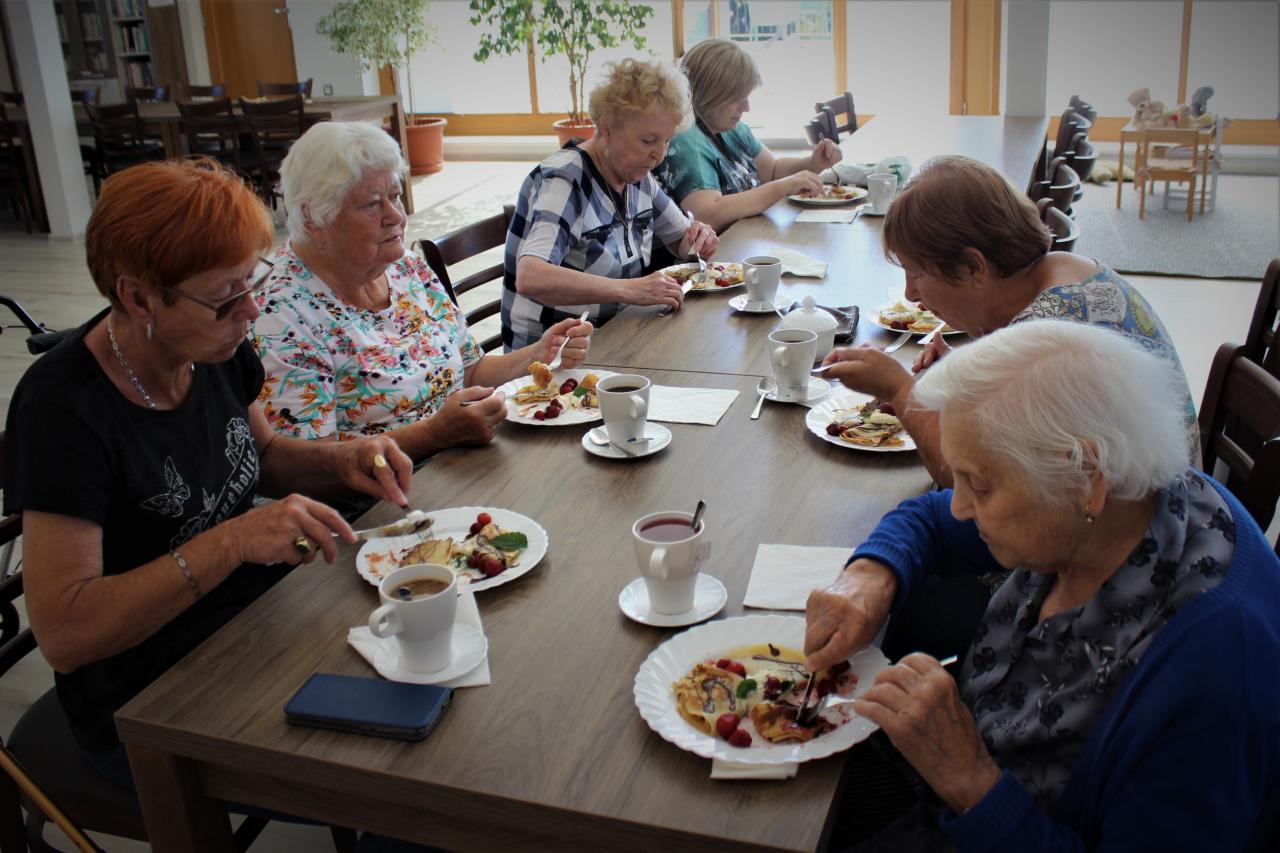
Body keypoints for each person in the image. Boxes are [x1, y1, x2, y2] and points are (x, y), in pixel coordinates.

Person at [2, 158, 415, 779]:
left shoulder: (213, 347)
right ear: (138, 297)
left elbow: (263, 456)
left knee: (428, 670)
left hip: (252, 625)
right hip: (148, 697)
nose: (251, 311)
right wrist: (232, 542)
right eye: (225, 298)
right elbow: (65, 633)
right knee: (398, 763)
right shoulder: (63, 410)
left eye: (251, 282)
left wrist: (343, 456)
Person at [805, 321, 1279, 852]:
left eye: (979, 484)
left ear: (1086, 476)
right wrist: (868, 578)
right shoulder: (1118, 499)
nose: (959, 507)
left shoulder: (1214, 676)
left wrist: (969, 780)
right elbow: (929, 520)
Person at [821, 155, 1198, 487]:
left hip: (1132, 532)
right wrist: (971, 368)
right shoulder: (1067, 271)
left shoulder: (1048, 334)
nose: (910, 294)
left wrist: (900, 391)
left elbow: (971, 480)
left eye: (917, 274)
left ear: (973, 268)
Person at [254, 121, 594, 458]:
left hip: (463, 459)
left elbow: (469, 370)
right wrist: (432, 435)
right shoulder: (281, 314)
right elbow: (309, 464)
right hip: (386, 488)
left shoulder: (405, 267)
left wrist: (537, 354)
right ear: (313, 219)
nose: (395, 216)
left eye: (395, 196)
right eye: (371, 204)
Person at [502, 58, 719, 350]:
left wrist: (697, 240)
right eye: (648, 140)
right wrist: (630, 290)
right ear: (606, 129)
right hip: (552, 354)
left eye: (667, 141)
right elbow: (530, 276)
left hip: (613, 335)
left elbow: (680, 238)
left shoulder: (636, 175)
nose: (659, 154)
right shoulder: (565, 181)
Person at [654, 38, 843, 232]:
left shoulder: (730, 127)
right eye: (736, 98)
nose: (746, 107)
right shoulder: (685, 138)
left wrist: (813, 163)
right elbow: (708, 215)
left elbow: (772, 171)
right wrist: (781, 187)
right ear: (708, 95)